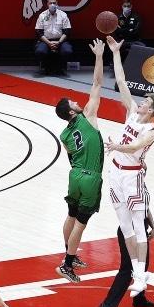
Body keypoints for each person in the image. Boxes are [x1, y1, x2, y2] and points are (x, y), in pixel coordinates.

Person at [103, 36, 154, 299]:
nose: (140, 102)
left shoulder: (152, 129)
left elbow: (137, 146)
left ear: (150, 110)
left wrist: (117, 147)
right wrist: (116, 53)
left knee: (139, 227)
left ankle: (141, 275)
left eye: (145, 102)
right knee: (126, 228)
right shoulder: (131, 112)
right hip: (116, 174)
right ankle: (138, 275)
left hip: (132, 178)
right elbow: (121, 82)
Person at [53, 40, 108, 283]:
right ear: (72, 112)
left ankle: (69, 252)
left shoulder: (64, 134)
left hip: (74, 175)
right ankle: (67, 264)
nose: (77, 101)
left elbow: (69, 157)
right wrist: (98, 56)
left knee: (71, 215)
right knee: (81, 224)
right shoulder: (88, 116)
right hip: (90, 177)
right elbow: (97, 83)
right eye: (73, 103)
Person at [34, 0, 73, 76]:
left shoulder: (63, 15)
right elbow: (39, 33)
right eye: (50, 3)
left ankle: (60, 68)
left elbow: (67, 32)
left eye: (54, 3)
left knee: (67, 51)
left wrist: (58, 42)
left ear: (57, 3)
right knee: (40, 51)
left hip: (60, 40)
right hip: (45, 40)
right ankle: (46, 68)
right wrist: (49, 43)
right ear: (47, 4)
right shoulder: (42, 15)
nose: (52, 5)